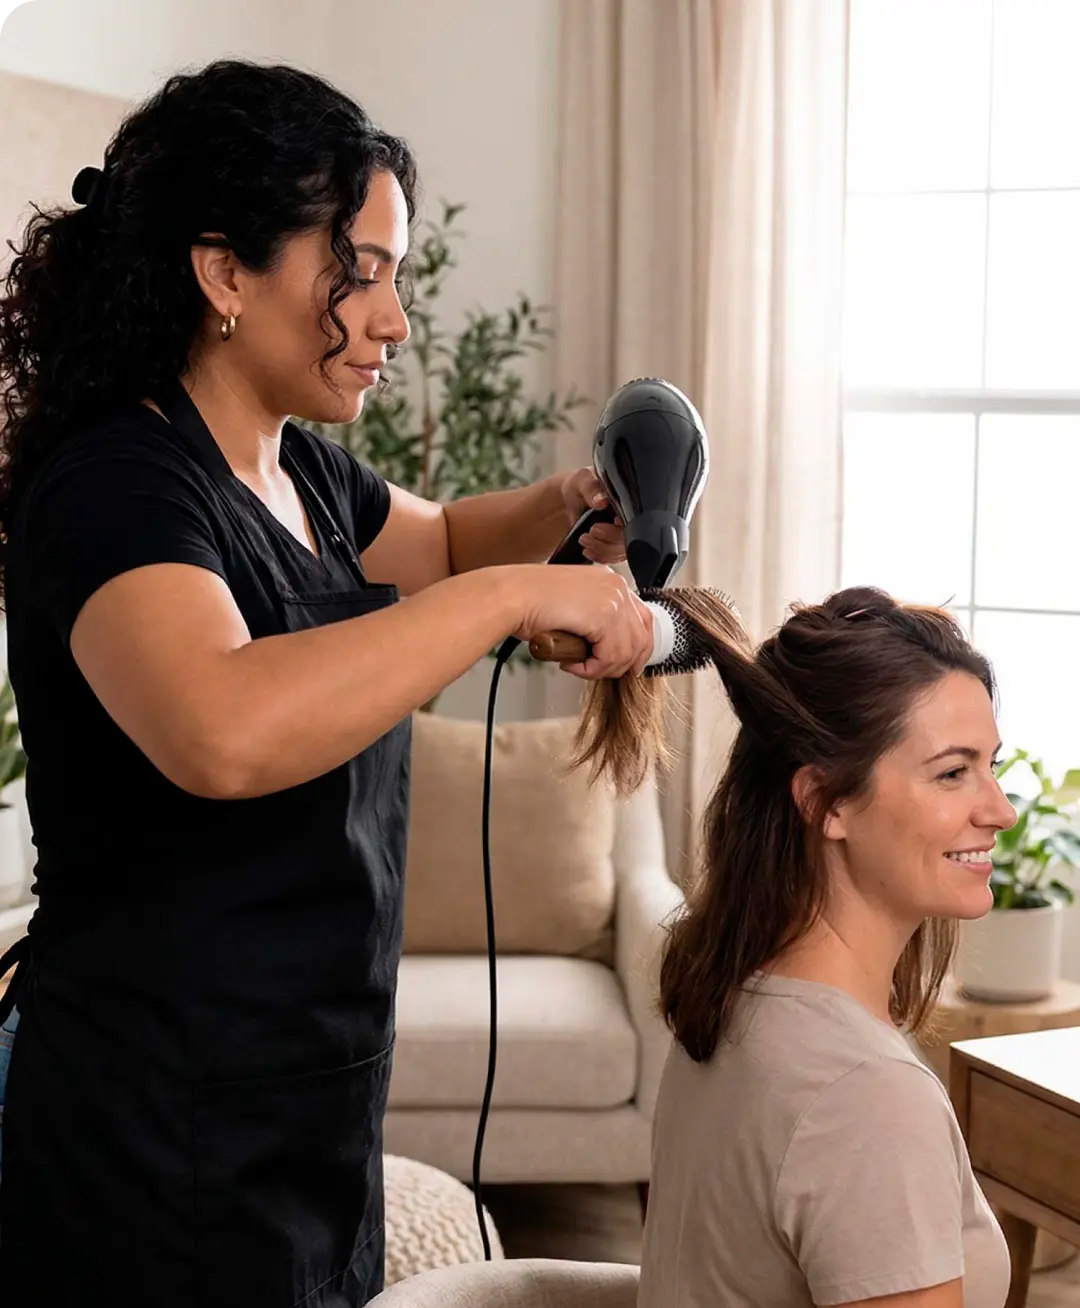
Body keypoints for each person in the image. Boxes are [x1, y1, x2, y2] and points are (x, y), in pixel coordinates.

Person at [0, 60, 654, 1307]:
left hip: (309, 1107)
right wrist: (515, 600)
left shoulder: (303, 476)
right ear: (225, 272)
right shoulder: (118, 486)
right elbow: (223, 728)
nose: (395, 319)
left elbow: (455, 541)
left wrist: (575, 515)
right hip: (152, 1132)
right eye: (360, 269)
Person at [637, 586, 1017, 1308]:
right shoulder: (863, 1096)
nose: (999, 809)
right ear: (826, 802)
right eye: (952, 772)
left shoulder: (736, 1006)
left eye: (990, 764)